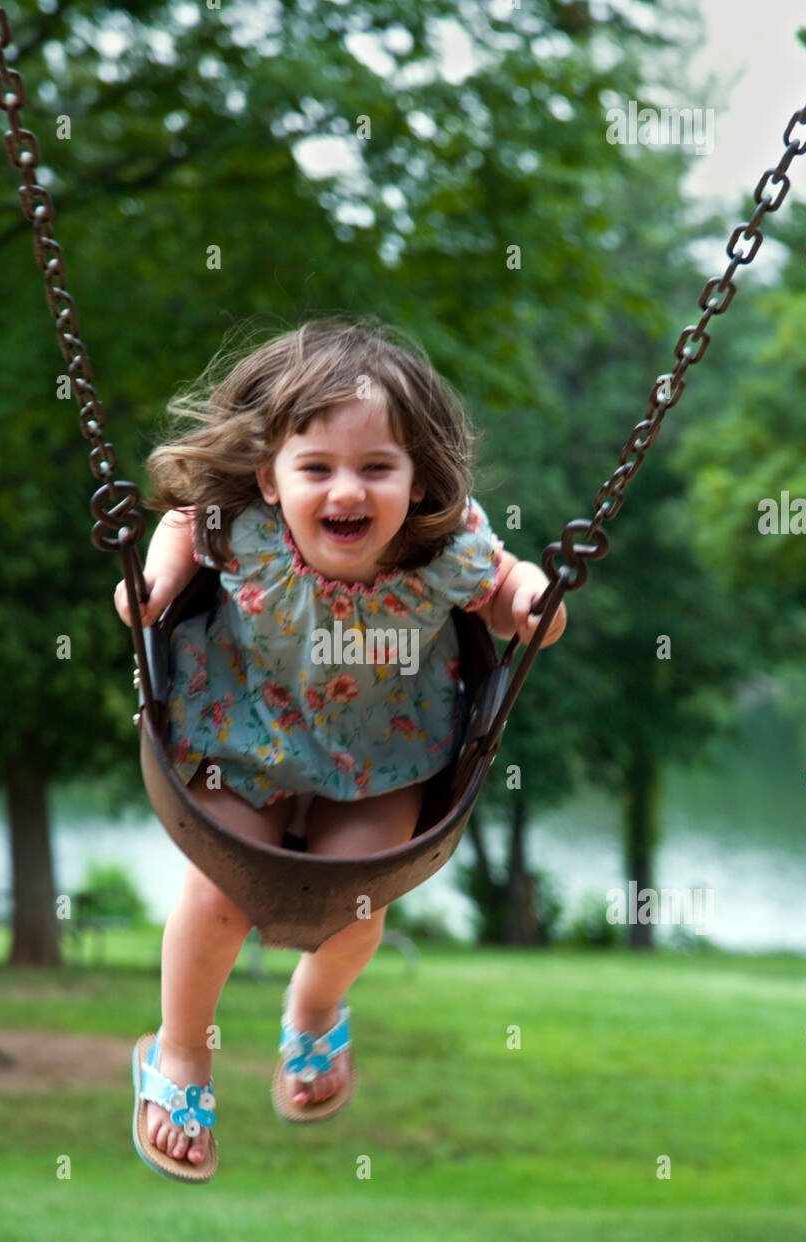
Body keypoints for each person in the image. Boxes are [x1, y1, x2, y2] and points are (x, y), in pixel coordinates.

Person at [115, 317, 566, 1180]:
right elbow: (179, 521)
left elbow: (505, 591)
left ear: (417, 478)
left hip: (380, 758)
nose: (345, 490)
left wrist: (534, 599)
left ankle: (314, 1012)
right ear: (271, 479)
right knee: (215, 895)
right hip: (239, 732)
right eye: (316, 467)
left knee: (356, 905)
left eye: (375, 468)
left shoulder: (444, 551)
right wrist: (159, 582)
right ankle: (180, 1054)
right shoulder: (243, 528)